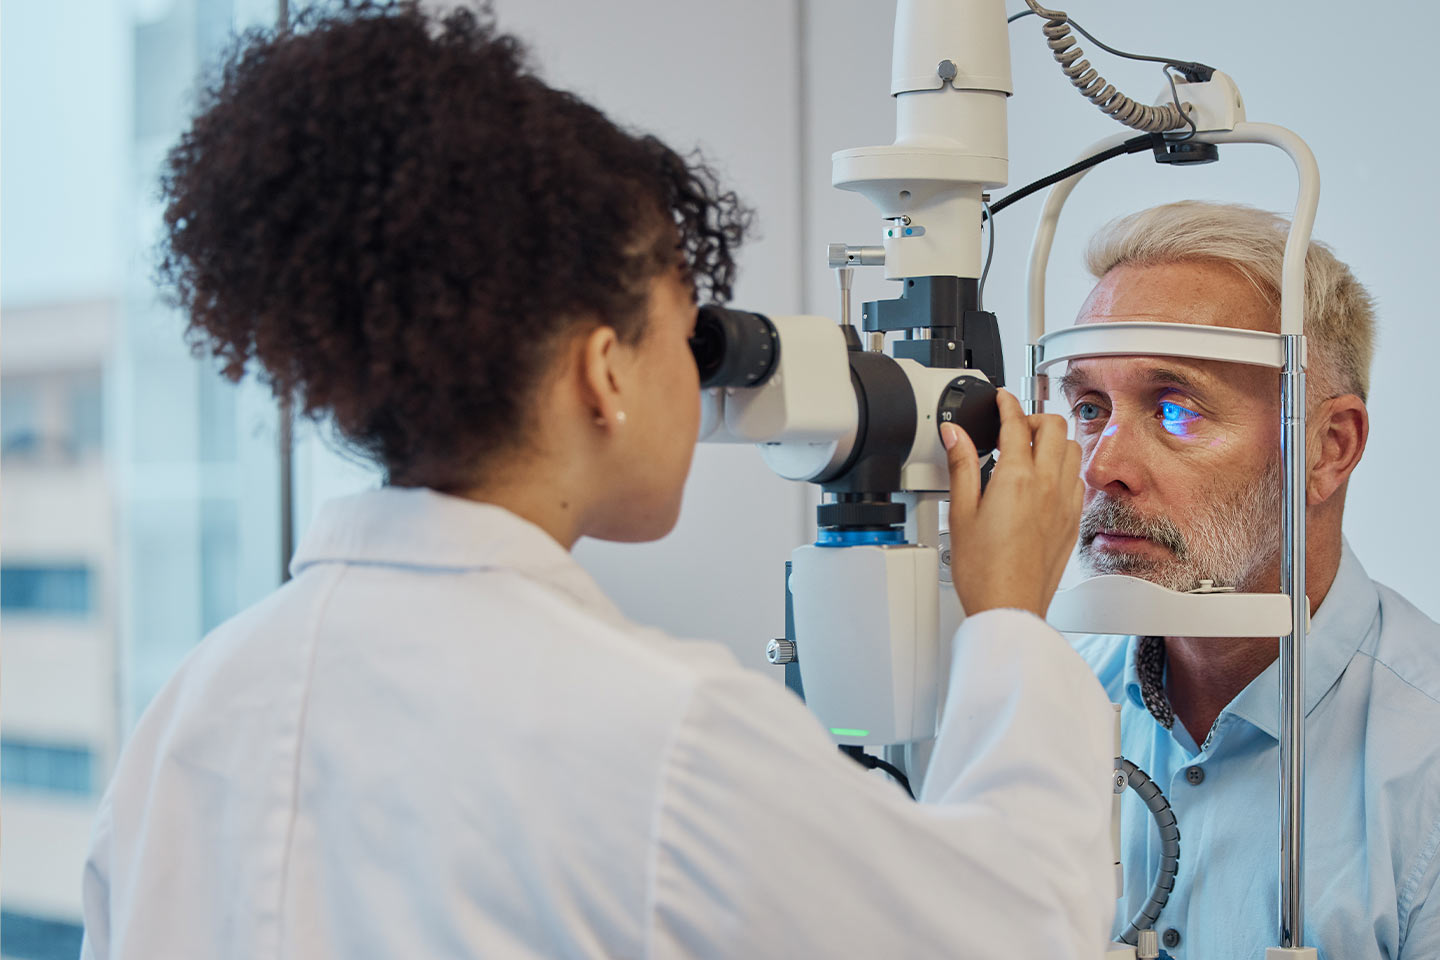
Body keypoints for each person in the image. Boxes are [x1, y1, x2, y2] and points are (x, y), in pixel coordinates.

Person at [80, 3, 1117, 957]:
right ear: (603, 368)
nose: (697, 375)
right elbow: (1020, 930)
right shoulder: (664, 737)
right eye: (686, 332)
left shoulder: (192, 713)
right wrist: (1012, 623)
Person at [1059, 200, 1440, 958]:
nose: (1102, 466)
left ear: (1328, 448)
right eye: (1091, 408)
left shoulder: (1422, 764)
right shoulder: (1056, 706)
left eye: (1176, 410)